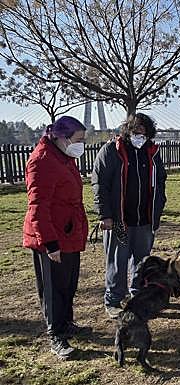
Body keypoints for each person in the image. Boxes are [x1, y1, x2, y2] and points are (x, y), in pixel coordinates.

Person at [23, 116, 89, 359]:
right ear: (61, 137)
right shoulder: (41, 161)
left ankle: (67, 323)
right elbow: (38, 207)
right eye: (78, 139)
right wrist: (50, 243)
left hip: (68, 232)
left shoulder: (65, 157)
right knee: (53, 289)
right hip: (51, 237)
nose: (81, 145)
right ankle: (56, 336)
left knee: (68, 284)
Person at [92, 113, 167, 319]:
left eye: (144, 131)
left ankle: (138, 295)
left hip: (145, 220)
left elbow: (160, 181)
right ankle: (114, 299)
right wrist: (104, 214)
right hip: (119, 220)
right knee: (118, 260)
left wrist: (158, 209)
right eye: (135, 130)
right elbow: (100, 184)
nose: (139, 134)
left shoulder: (152, 152)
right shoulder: (111, 151)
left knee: (142, 261)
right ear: (127, 130)